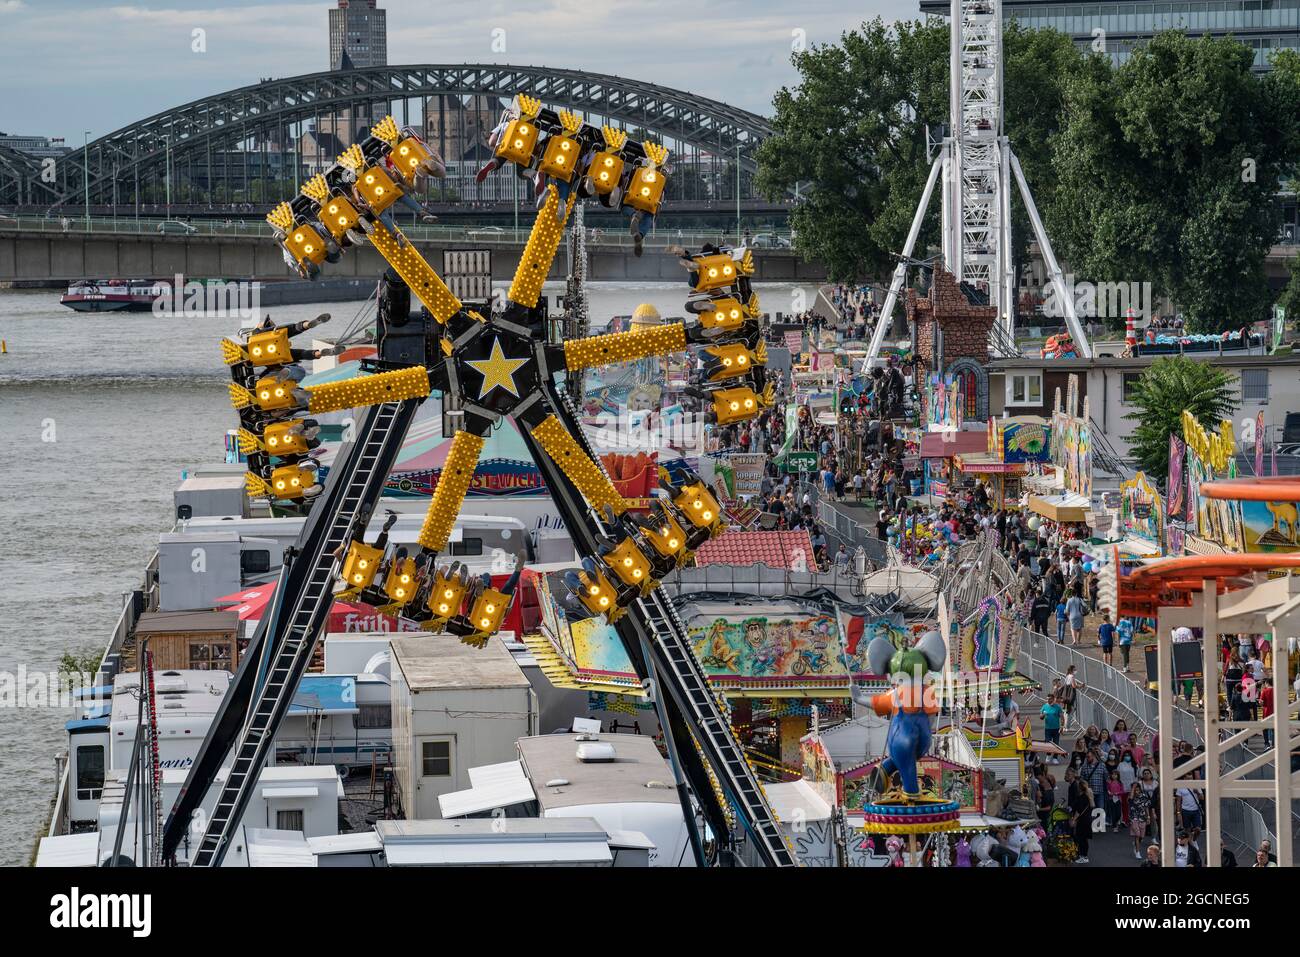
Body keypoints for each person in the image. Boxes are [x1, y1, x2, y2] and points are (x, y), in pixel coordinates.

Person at [1071, 778, 1095, 864]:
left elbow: (1078, 811)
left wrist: (1073, 820)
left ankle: (1083, 856)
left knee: (1081, 839)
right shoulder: (1087, 796)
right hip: (1087, 819)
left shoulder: (1082, 797)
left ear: (1080, 788)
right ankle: (1084, 856)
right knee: (1084, 839)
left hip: (1082, 820)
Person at [1127, 782, 1152, 858]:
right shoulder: (1130, 796)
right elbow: (1130, 799)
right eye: (1135, 790)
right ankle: (1138, 852)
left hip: (1142, 817)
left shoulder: (1144, 796)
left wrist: (1148, 817)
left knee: (1141, 836)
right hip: (1133, 817)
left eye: (1138, 790)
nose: (1136, 792)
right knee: (1137, 835)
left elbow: (1146, 807)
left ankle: (1135, 843)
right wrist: (1133, 788)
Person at [1039, 694, 1064, 761]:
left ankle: (1055, 758)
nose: (1048, 700)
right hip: (1048, 729)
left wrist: (1062, 727)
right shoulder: (1044, 706)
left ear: (1053, 699)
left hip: (1056, 728)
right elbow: (1041, 717)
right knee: (1048, 743)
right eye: (1047, 699)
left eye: (1049, 699)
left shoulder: (1057, 707)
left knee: (1056, 743)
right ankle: (1048, 756)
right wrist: (1043, 715)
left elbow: (1062, 717)